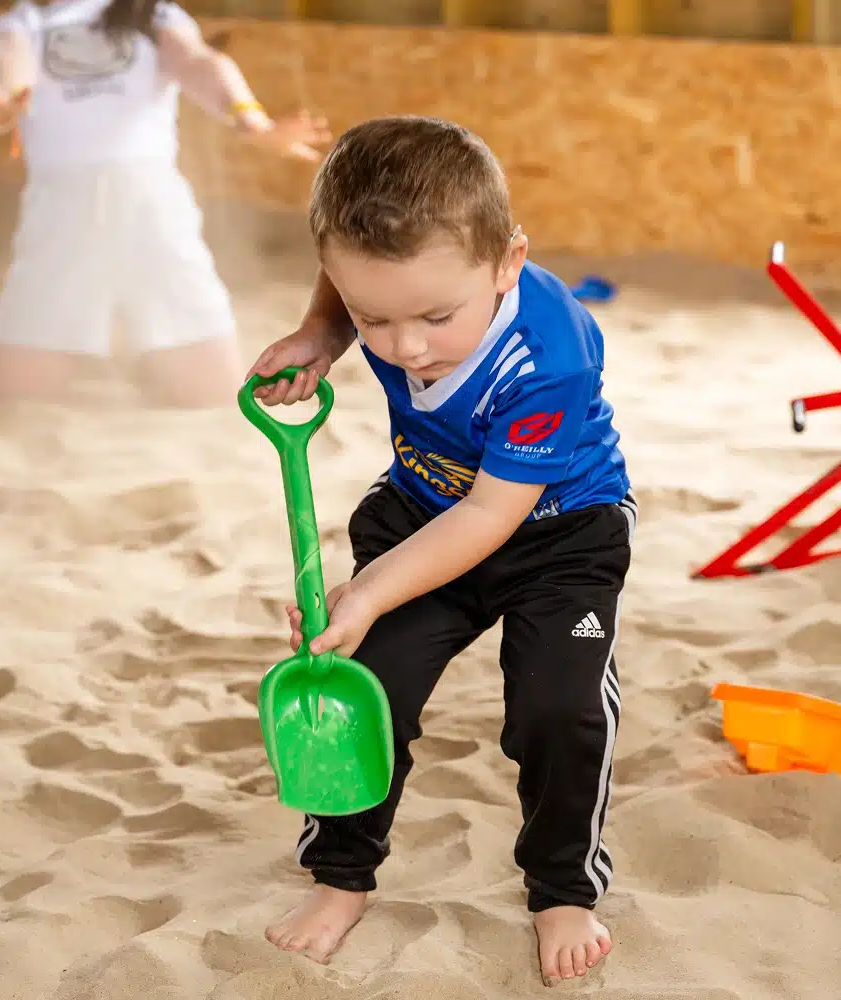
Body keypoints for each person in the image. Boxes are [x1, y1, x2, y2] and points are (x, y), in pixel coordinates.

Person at [247, 116, 636, 986]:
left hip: (555, 533)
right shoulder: (380, 291)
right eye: (372, 316)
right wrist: (322, 332)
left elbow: (492, 517)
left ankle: (563, 889)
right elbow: (343, 264)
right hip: (423, 508)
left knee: (558, 710)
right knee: (361, 686)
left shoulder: (549, 359)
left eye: (434, 315)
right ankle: (342, 874)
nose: (406, 346)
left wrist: (372, 589)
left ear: (507, 262)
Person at [0, 0, 330, 406]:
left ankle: (133, 340)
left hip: (152, 217)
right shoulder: (24, 23)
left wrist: (253, 120)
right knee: (4, 399)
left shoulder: (155, 16)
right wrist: (5, 106)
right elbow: (11, 70)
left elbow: (200, 63)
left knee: (215, 393)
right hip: (63, 225)